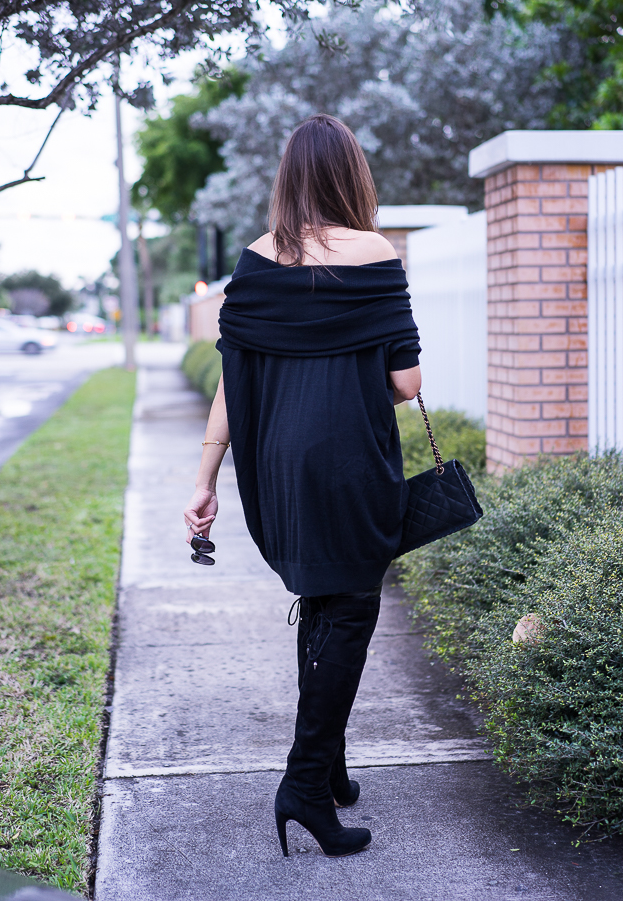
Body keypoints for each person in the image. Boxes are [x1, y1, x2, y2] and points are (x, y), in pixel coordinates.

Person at [183, 114, 421, 858]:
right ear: (352, 176)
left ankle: (330, 761)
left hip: (275, 461)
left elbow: (234, 376)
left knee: (318, 598)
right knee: (349, 608)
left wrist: (205, 478)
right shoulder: (374, 253)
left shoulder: (254, 264)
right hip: (348, 458)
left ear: (286, 179)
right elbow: (405, 383)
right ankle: (304, 785)